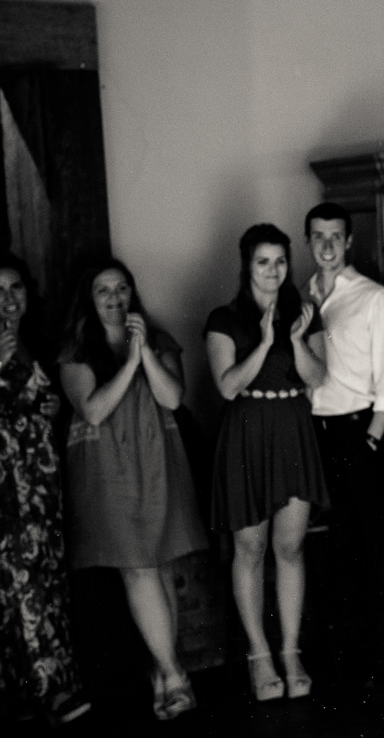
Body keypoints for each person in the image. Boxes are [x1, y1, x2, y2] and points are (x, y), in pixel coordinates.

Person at [59, 259, 207, 720]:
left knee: (159, 565)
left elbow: (172, 397)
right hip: (107, 468)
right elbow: (94, 409)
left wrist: (143, 350)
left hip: (156, 458)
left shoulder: (157, 339)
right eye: (104, 289)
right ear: (90, 297)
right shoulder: (77, 352)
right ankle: (176, 672)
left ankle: (162, 676)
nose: (115, 297)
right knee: (136, 568)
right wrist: (127, 363)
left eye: (122, 287)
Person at [206, 224, 329, 701]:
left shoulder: (304, 313)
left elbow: (318, 377)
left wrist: (296, 340)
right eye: (263, 261)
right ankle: (260, 657)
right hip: (245, 435)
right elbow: (227, 385)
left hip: (293, 430)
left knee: (291, 548)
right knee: (250, 549)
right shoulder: (224, 318)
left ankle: (291, 651)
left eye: (280, 261)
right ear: (247, 265)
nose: (273, 270)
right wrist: (261, 342)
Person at [304, 202, 384, 684]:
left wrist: (370, 440)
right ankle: (345, 660)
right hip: (316, 434)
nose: (326, 245)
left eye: (335, 236)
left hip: (361, 433)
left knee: (373, 550)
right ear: (309, 241)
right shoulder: (304, 298)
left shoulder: (372, 298)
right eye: (317, 236)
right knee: (335, 550)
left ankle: (381, 667)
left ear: (348, 242)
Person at [0, 254, 91, 728]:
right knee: (18, 586)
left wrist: (52, 404)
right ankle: (45, 689)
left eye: (15, 289)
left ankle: (51, 686)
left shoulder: (38, 343)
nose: (7, 301)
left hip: (40, 484)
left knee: (48, 579)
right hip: (3, 489)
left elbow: (49, 402)